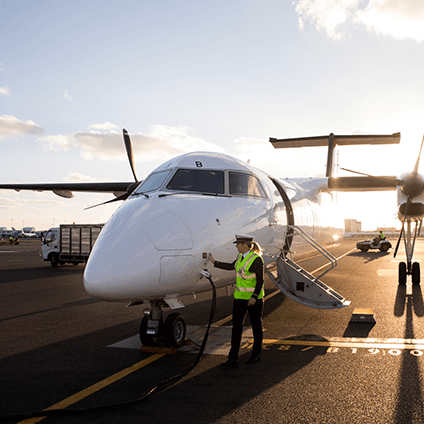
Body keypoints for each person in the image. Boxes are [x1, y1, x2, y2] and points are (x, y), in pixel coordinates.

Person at [209, 234, 264, 368]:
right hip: (239, 299)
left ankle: (255, 354)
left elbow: (260, 280)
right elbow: (231, 267)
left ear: (245, 245)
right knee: (236, 329)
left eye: (238, 244)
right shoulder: (240, 257)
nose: (236, 246)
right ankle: (233, 358)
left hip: (253, 301)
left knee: (256, 327)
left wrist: (254, 297)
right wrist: (214, 262)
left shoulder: (256, 260)